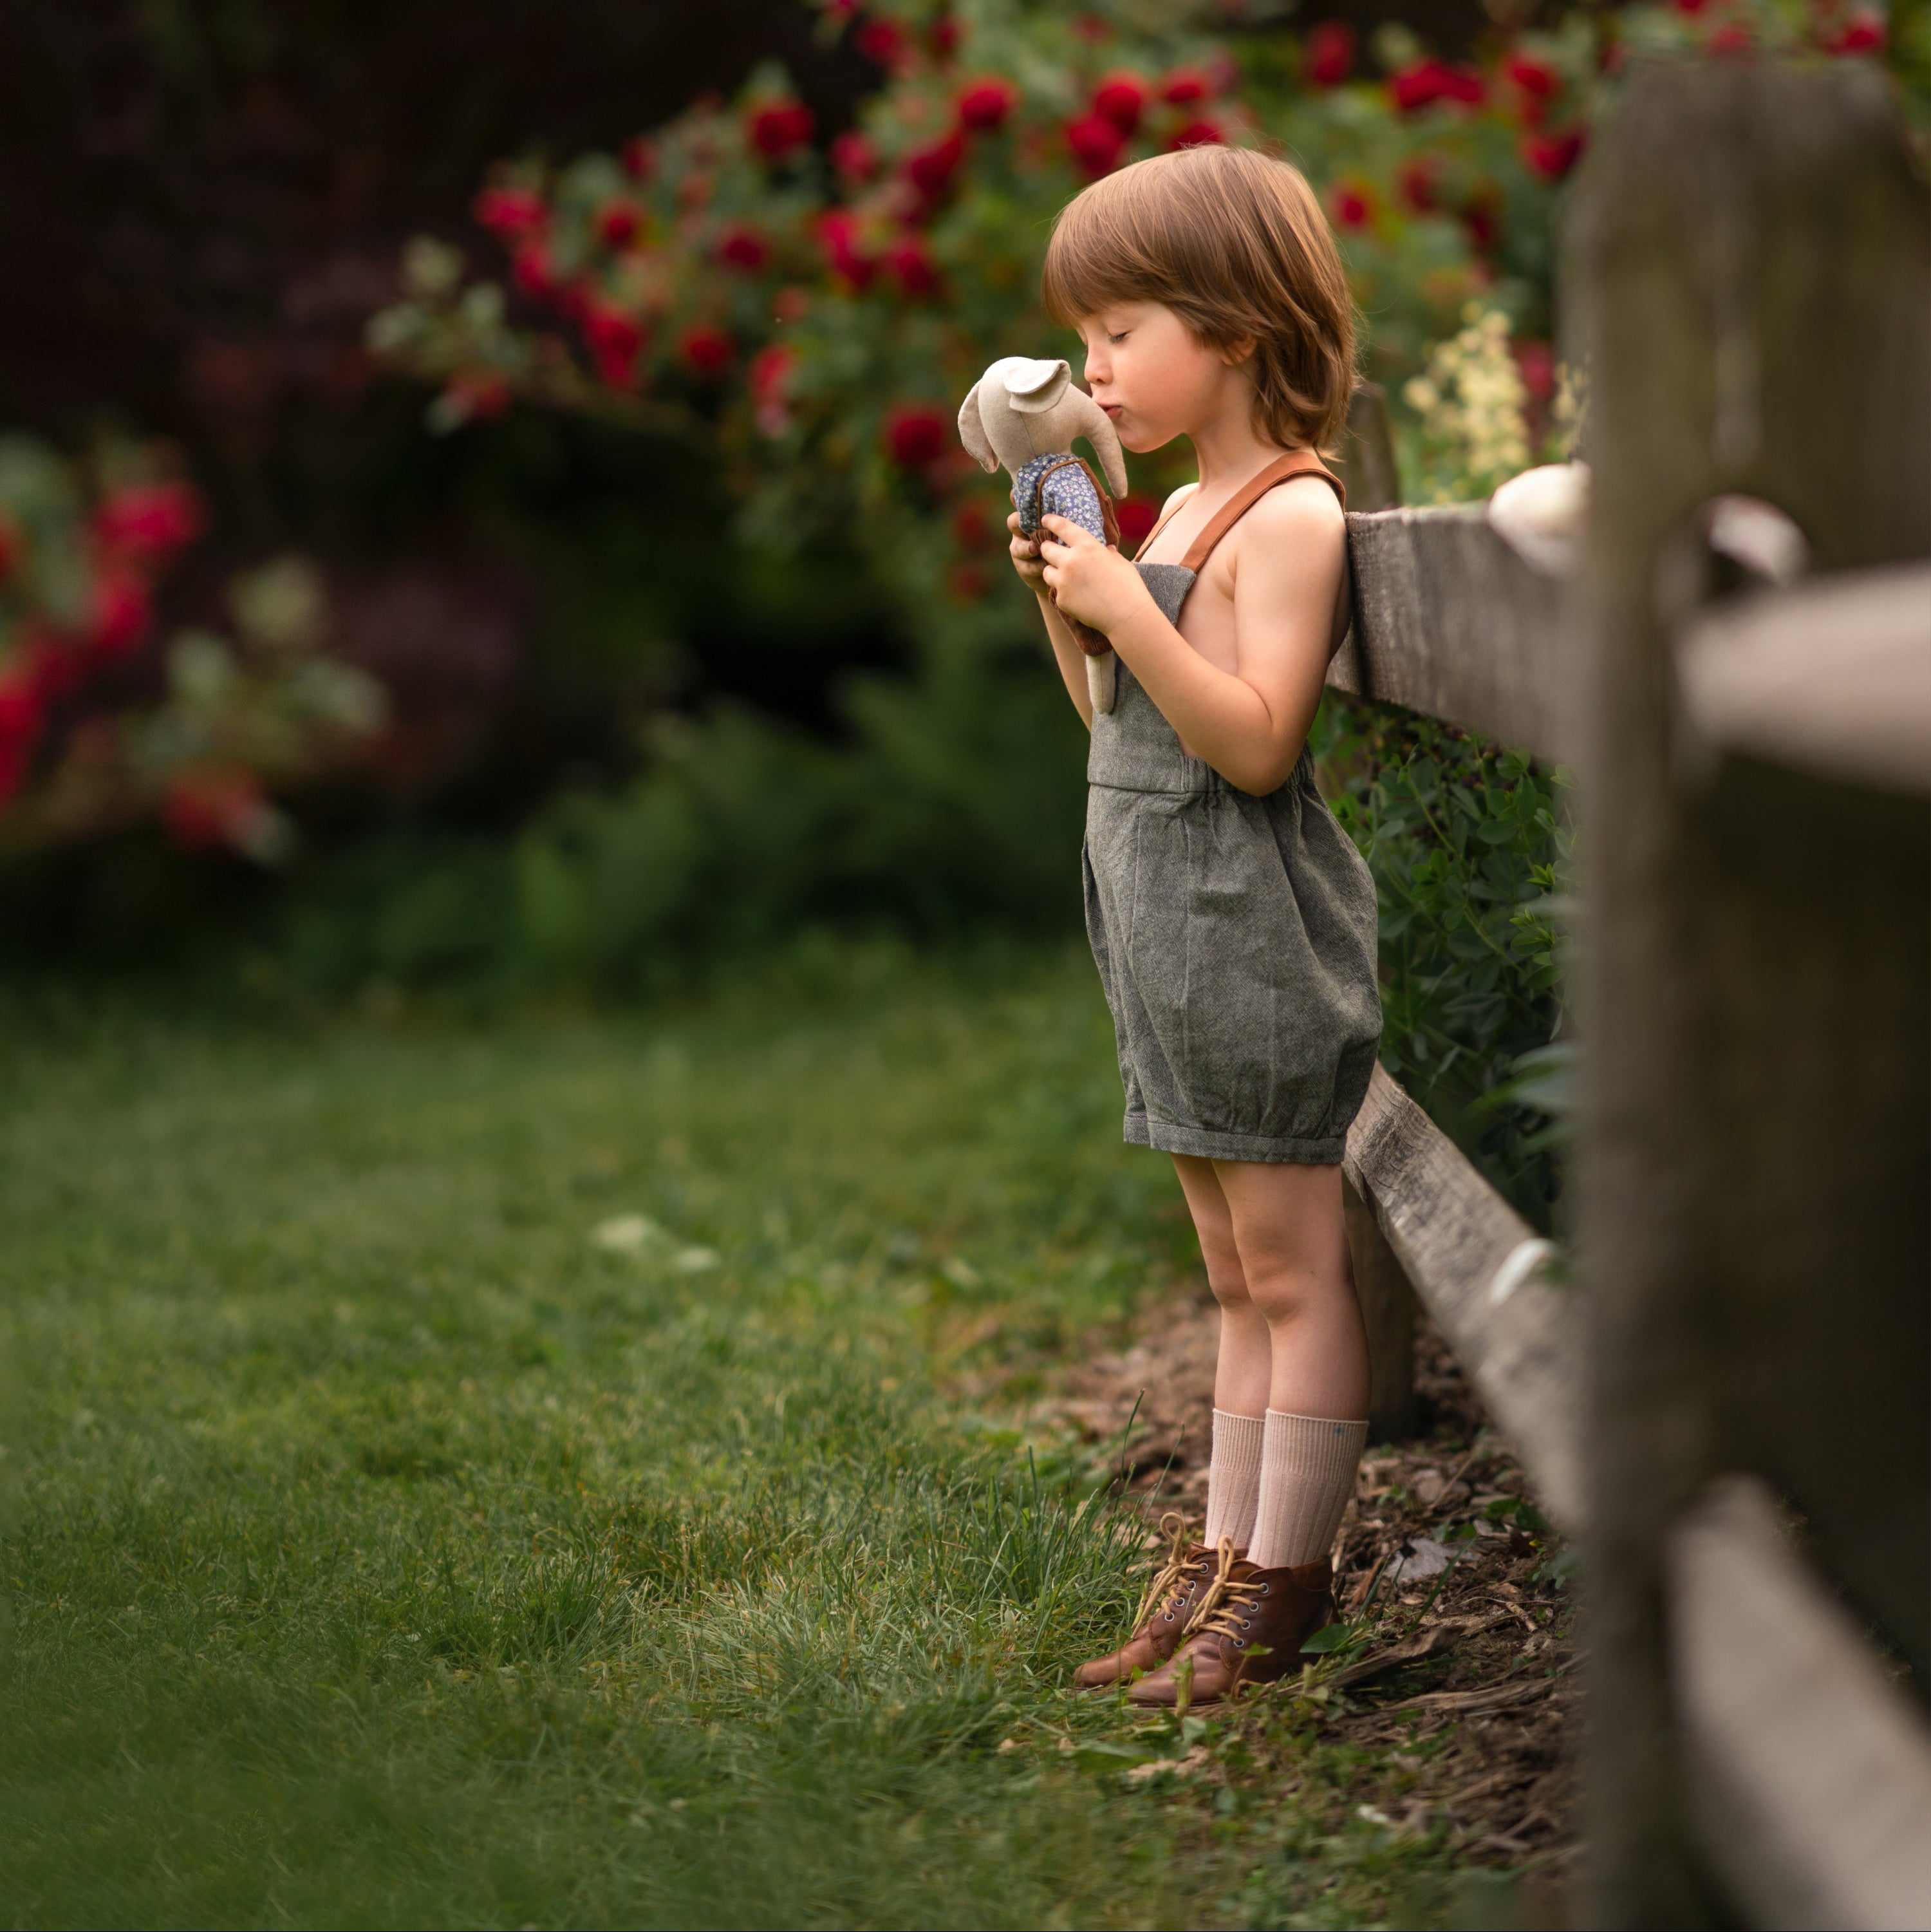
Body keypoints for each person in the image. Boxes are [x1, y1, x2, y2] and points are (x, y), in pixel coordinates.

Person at [1006, 144, 1382, 1705]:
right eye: (1084, 340)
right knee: (1233, 1277)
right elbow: (1108, 712)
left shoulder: (1289, 516)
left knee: (1295, 1274)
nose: (1094, 371)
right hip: (1164, 933)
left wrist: (1121, 600)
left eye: (1118, 333)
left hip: (1248, 937)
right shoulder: (1173, 508)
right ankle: (1222, 1562)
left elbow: (1253, 741)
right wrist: (1068, 584)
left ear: (1229, 325)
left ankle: (1286, 1583)